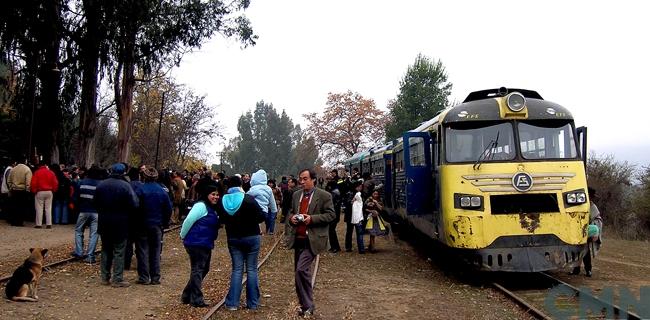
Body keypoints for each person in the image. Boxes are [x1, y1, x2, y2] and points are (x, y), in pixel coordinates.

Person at [286, 168, 336, 317]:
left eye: (305, 179)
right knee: (299, 274)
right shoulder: (296, 195)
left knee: (301, 270)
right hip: (298, 239)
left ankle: (308, 305)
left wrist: (312, 219)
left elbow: (331, 215)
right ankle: (304, 305)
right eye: (300, 179)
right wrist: (292, 218)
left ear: (313, 180)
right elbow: (290, 211)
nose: (301, 182)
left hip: (313, 240)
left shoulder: (324, 196)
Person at [217, 175, 266, 311]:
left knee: (237, 269)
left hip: (233, 238)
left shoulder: (223, 201)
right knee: (251, 269)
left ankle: (232, 303)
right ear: (241, 185)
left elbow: (221, 219)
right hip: (252, 237)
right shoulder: (249, 199)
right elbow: (261, 217)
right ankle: (253, 303)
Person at [94, 163, 139, 287]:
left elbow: (95, 203)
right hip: (121, 222)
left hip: (104, 221)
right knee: (119, 250)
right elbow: (135, 204)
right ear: (123, 172)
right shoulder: (126, 186)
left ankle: (105, 277)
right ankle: (117, 278)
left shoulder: (101, 185)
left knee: (105, 249)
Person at [180, 184, 220, 308]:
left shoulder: (211, 207)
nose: (216, 197)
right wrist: (182, 234)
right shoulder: (201, 206)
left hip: (205, 242)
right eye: (213, 194)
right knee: (198, 269)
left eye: (217, 194)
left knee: (203, 269)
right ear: (206, 195)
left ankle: (187, 295)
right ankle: (196, 298)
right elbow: (189, 220)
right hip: (196, 242)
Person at [135, 168, 173, 285]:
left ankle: (144, 277)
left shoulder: (140, 190)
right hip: (157, 224)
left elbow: (135, 206)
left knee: (142, 250)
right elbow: (168, 208)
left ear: (144, 176)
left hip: (142, 224)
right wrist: (164, 222)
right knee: (155, 251)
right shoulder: (162, 191)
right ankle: (155, 277)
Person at [72, 166, 103, 264]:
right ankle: (90, 256)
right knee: (94, 234)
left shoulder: (81, 183)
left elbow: (75, 198)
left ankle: (79, 252)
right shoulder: (101, 185)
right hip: (97, 212)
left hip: (83, 210)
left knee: (78, 231)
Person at [571, 187, 603, 277]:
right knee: (576, 251)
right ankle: (577, 269)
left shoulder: (592, 206)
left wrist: (593, 229)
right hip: (577, 230)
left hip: (587, 230)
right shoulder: (579, 204)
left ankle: (588, 270)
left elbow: (597, 219)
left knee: (585, 251)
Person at [246, 169, 278, 235]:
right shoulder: (268, 189)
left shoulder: (253, 189)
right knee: (258, 221)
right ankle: (260, 231)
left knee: (252, 222)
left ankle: (256, 231)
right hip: (264, 212)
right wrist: (274, 210)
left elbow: (246, 198)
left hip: (253, 211)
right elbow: (272, 201)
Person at [30, 163, 58, 228]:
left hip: (40, 191)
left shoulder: (37, 172)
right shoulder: (51, 172)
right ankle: (49, 224)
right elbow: (55, 182)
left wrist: (34, 191)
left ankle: (39, 224)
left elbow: (33, 183)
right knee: (48, 208)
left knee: (39, 208)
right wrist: (54, 190)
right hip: (49, 191)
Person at [6, 156, 32, 226]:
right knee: (21, 207)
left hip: (14, 190)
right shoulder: (27, 169)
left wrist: (11, 187)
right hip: (22, 191)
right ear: (25, 161)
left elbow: (9, 181)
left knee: (14, 206)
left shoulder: (13, 169)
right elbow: (28, 182)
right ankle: (19, 222)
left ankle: (14, 221)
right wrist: (28, 190)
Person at [325, 169, 342, 253]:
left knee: (331, 230)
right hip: (335, 214)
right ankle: (335, 246)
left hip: (333, 215)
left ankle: (335, 247)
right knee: (331, 230)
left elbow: (331, 205)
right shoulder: (336, 192)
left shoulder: (333, 194)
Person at [349, 180, 365, 254]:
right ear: (357, 187)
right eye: (360, 187)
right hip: (359, 217)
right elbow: (358, 196)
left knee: (358, 233)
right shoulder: (358, 194)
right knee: (360, 233)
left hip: (355, 217)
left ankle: (360, 248)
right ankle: (361, 249)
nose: (361, 188)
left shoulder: (353, 195)